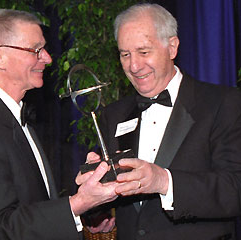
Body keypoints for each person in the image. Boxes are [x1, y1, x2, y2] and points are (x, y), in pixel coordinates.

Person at [0, 9, 118, 240]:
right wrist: (76, 204)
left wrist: (84, 213)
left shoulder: (13, 115)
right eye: (36, 50)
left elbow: (30, 206)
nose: (47, 58)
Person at [82, 3, 241, 240]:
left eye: (144, 52)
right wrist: (96, 208)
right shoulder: (113, 115)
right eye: (125, 54)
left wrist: (163, 181)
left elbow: (234, 189)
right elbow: (116, 202)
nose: (134, 66)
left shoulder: (223, 103)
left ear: (172, 47)